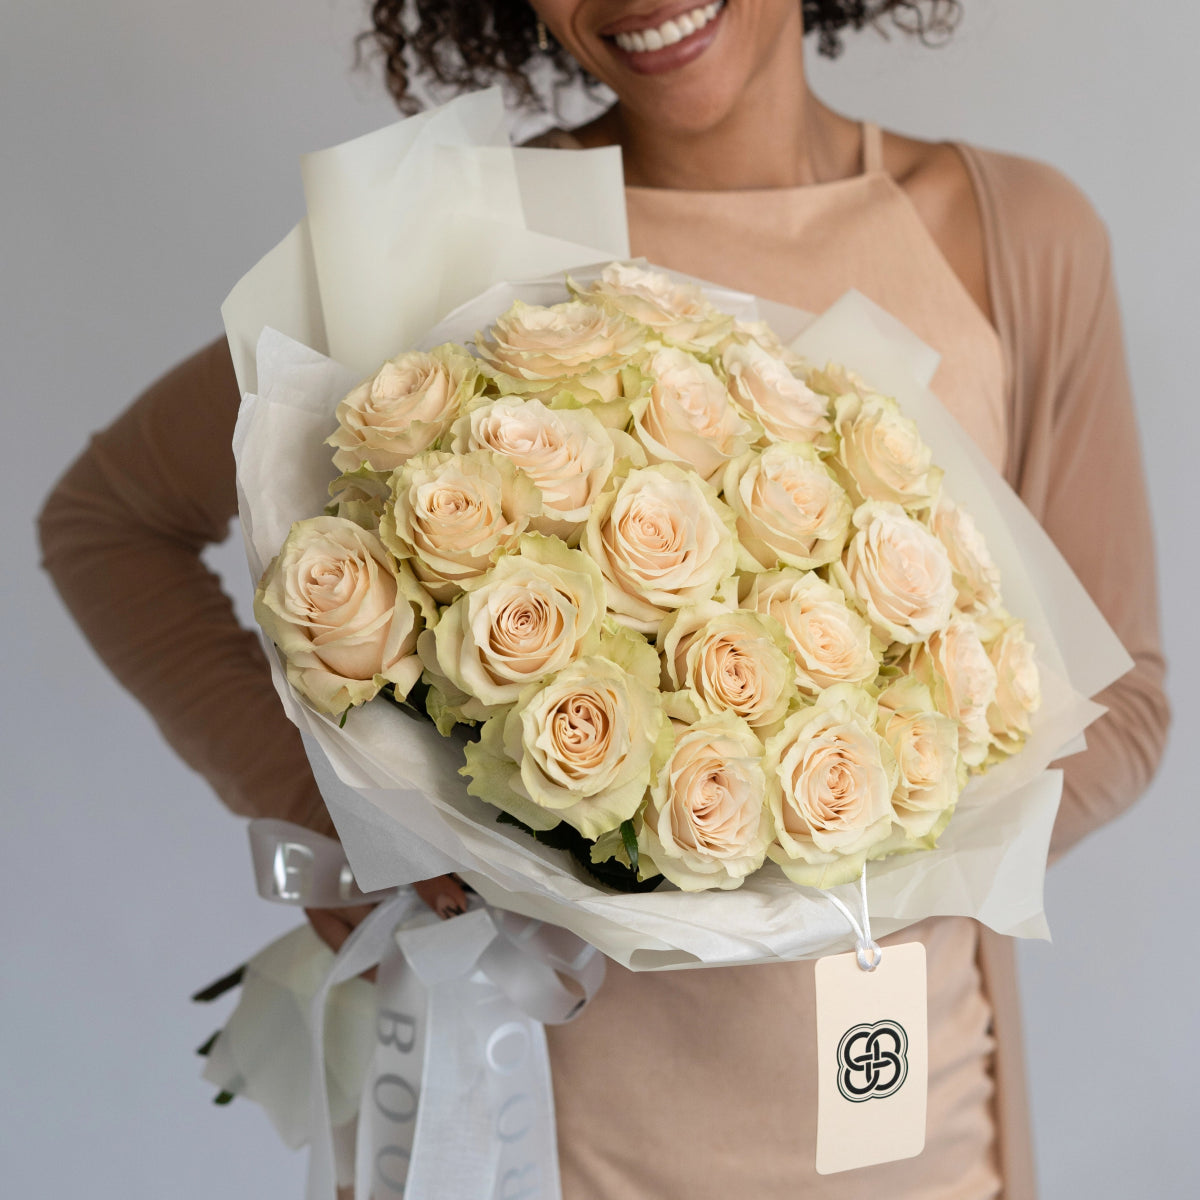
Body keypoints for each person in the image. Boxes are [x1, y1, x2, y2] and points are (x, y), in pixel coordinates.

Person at [37, 1, 1169, 1196]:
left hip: (914, 1140)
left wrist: (878, 842)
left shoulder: (1013, 234)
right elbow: (106, 524)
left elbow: (1125, 701)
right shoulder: (439, 250)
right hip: (527, 1136)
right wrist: (334, 820)